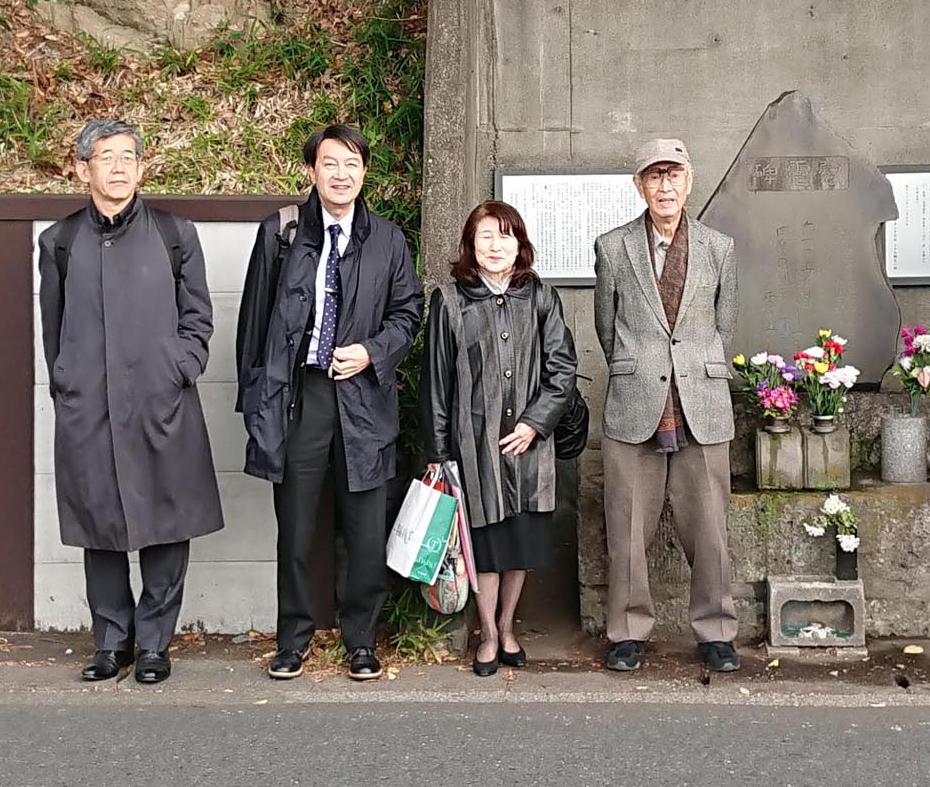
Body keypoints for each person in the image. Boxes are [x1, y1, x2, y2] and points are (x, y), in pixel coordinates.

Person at [38, 118, 224, 686]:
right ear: (82, 168)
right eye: (106, 157)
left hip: (160, 400)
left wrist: (181, 366)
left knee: (166, 521)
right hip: (88, 406)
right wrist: (67, 380)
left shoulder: (174, 233)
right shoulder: (60, 241)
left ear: (142, 169)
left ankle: (153, 645)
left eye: (127, 158)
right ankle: (109, 643)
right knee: (99, 523)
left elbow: (199, 316)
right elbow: (54, 328)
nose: (118, 168)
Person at [236, 123, 424, 683]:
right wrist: (257, 400)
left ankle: (360, 639)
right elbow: (254, 321)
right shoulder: (283, 232)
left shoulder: (388, 239)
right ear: (312, 171)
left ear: (365, 173)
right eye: (330, 163)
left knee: (364, 525)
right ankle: (292, 638)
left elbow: (408, 313)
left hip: (364, 395)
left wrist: (371, 351)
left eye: (352, 164)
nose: (341, 175)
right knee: (294, 523)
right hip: (302, 395)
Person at [592, 137, 741, 674]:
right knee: (627, 528)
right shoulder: (613, 247)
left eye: (673, 175)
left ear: (690, 179)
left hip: (701, 397)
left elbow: (724, 325)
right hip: (636, 400)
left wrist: (692, 367)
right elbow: (607, 329)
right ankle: (627, 632)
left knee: (709, 526)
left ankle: (716, 631)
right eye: (653, 176)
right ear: (639, 185)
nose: (665, 186)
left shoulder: (719, 247)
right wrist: (641, 367)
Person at [422, 201, 579, 677]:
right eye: (485, 236)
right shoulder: (448, 301)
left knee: (521, 547)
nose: (496, 246)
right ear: (471, 245)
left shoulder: (542, 298)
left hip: (531, 449)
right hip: (475, 449)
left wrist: (535, 423)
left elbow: (563, 368)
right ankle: (487, 633)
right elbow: (436, 383)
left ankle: (509, 627)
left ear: (520, 245)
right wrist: (437, 455)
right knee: (485, 548)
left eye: (506, 236)